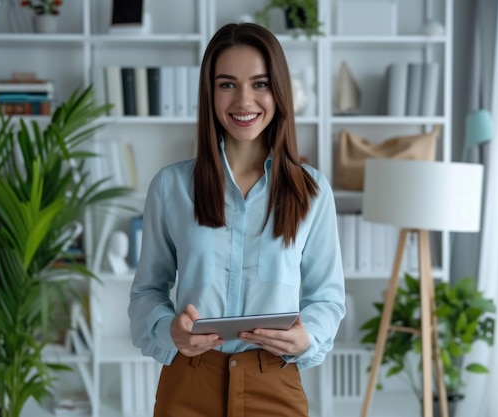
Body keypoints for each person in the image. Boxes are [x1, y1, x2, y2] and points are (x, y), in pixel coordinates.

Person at [128, 22, 346, 417]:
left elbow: (327, 297)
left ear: (279, 91)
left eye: (260, 84)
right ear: (209, 94)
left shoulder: (312, 190)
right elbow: (146, 293)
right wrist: (169, 330)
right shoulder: (170, 186)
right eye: (227, 84)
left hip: (274, 384)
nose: (244, 101)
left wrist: (306, 337)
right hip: (188, 383)